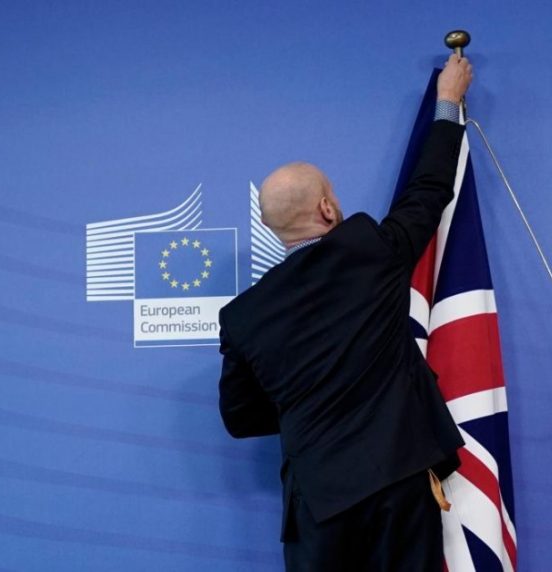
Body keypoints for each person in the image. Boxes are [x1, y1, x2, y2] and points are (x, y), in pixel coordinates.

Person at [217, 54, 473, 571]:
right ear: (327, 209)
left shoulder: (243, 316)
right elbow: (428, 192)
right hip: (399, 484)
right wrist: (448, 102)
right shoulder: (369, 252)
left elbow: (240, 418)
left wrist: (309, 405)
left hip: (318, 503)